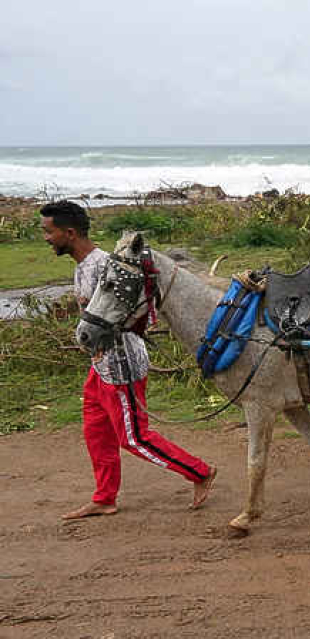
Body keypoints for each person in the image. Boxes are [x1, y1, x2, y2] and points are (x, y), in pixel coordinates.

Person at [40, 201, 216, 519]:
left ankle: (200, 472)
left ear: (69, 232)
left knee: (134, 437)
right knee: (96, 432)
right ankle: (105, 498)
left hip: (122, 366)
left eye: (48, 232)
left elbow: (141, 317)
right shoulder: (83, 266)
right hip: (100, 367)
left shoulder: (108, 267)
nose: (45, 238)